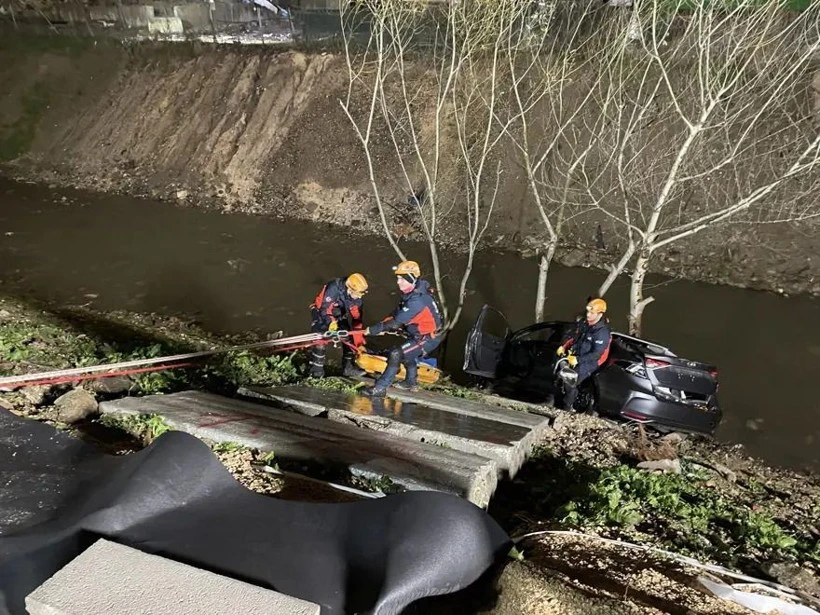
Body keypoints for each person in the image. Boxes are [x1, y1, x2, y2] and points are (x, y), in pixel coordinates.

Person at [361, 260, 443, 396]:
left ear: (410, 279)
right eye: (398, 278)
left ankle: (380, 388)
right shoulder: (413, 293)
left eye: (401, 279)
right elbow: (396, 314)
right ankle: (411, 382)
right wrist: (383, 325)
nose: (398, 282)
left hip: (427, 338)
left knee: (396, 353)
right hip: (419, 334)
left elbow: (395, 323)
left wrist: (374, 329)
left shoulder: (416, 301)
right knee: (407, 353)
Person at [308, 273, 369, 378]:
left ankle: (348, 368)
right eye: (357, 294)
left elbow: (357, 319)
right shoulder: (333, 288)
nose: (359, 297)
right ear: (349, 289)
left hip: (339, 312)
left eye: (361, 294)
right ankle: (316, 371)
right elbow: (325, 309)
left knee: (348, 337)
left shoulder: (357, 298)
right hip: (321, 311)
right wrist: (331, 323)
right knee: (321, 338)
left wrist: (358, 340)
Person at [556, 297, 612, 411]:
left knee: (570, 380)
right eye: (588, 312)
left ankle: (567, 408)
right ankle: (555, 402)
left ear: (600, 314)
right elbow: (573, 336)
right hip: (574, 356)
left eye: (592, 313)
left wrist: (578, 359)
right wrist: (563, 346)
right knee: (558, 377)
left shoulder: (602, 333)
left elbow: (596, 354)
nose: (588, 315)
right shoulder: (584, 324)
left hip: (589, 362)